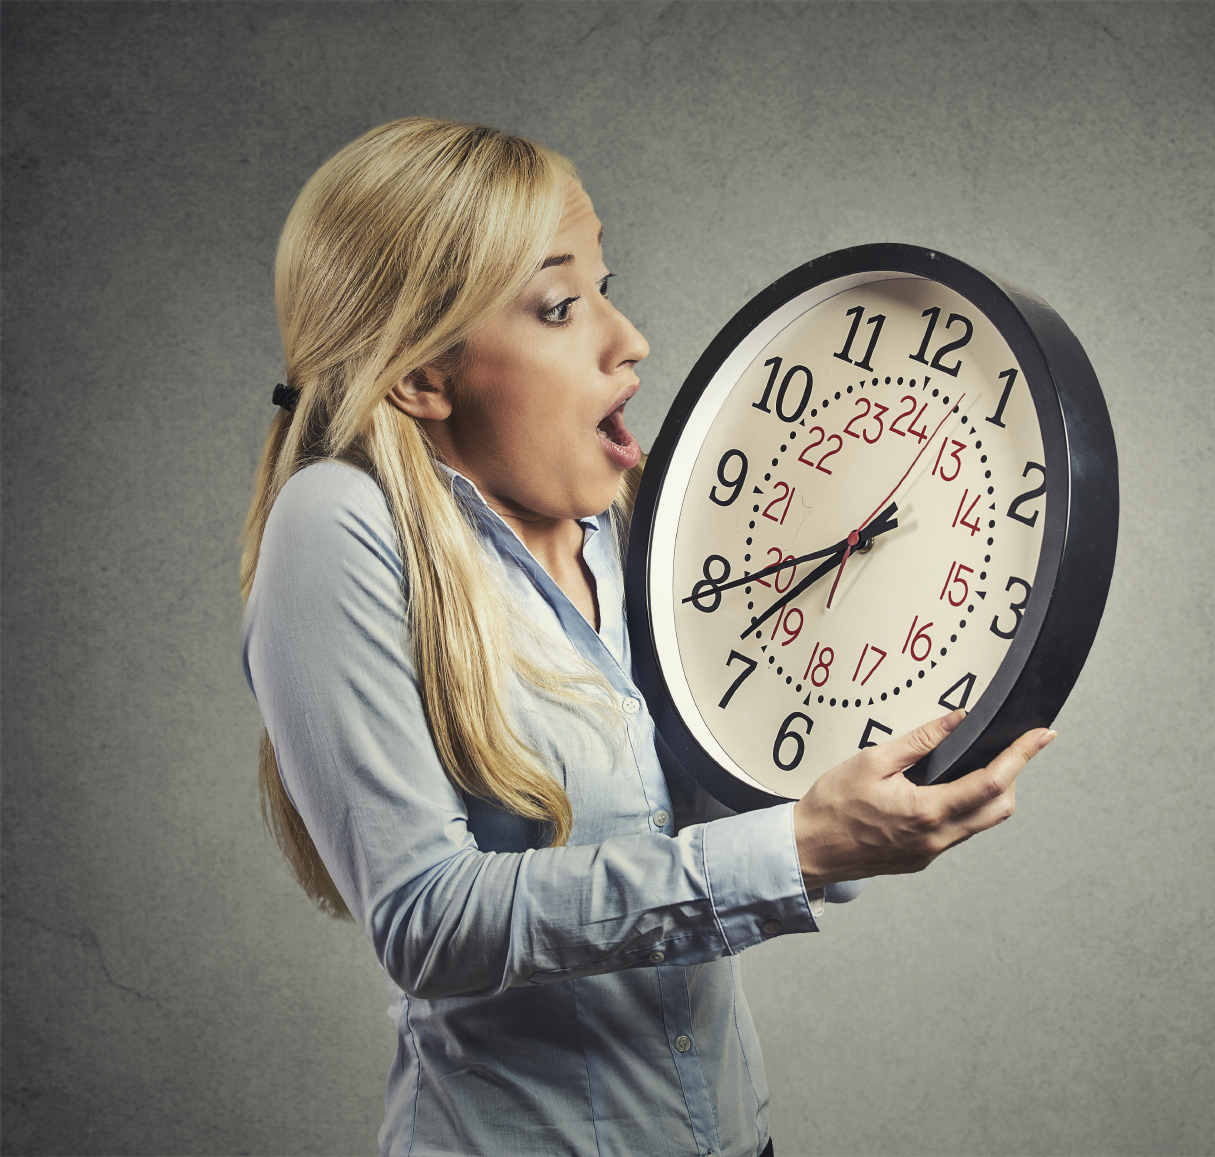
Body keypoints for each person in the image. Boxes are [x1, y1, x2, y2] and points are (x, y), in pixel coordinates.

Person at [240, 117, 1053, 1157]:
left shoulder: (632, 532)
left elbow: (722, 800)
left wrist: (874, 794)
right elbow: (428, 919)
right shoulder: (336, 524)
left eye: (605, 287)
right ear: (425, 379)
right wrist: (795, 847)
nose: (629, 340)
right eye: (559, 304)